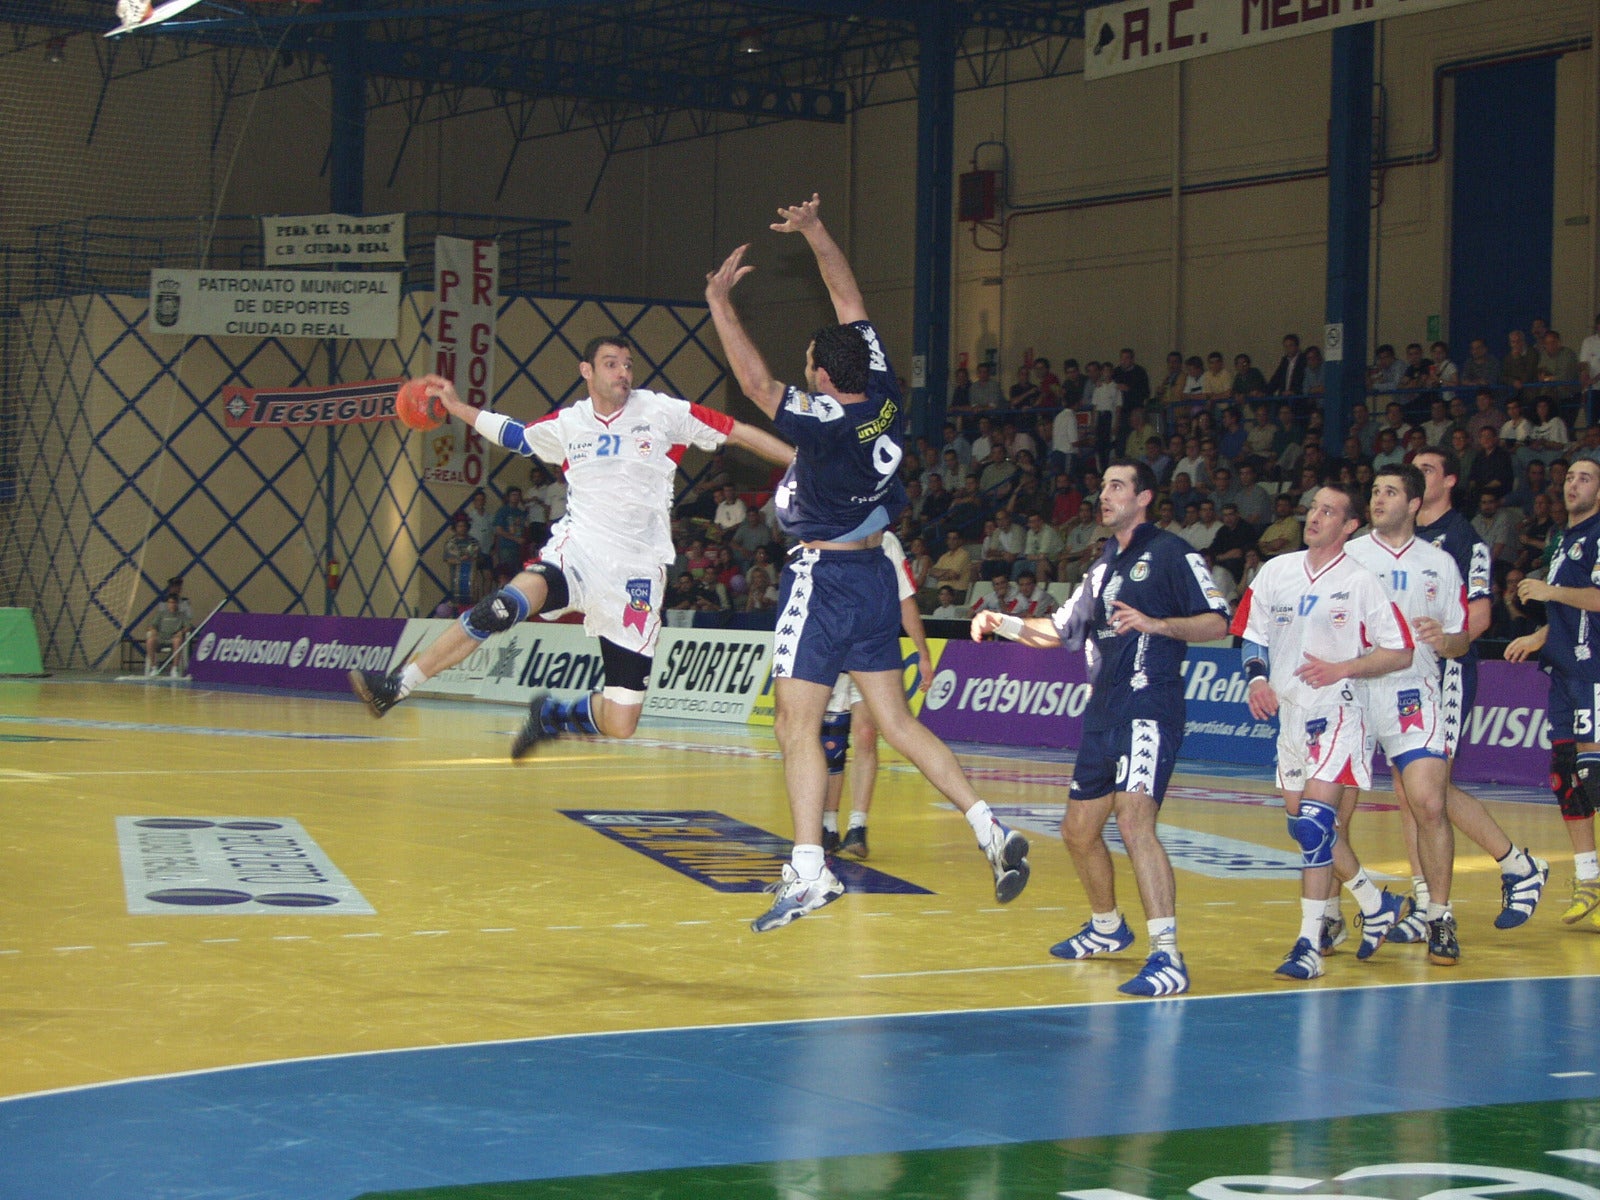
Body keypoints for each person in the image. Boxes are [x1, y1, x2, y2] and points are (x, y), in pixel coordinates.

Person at [704, 193, 1030, 932]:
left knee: (797, 724)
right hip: (877, 574)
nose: (808, 365)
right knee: (896, 721)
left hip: (824, 579)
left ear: (821, 377)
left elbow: (757, 386)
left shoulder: (826, 423)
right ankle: (991, 829)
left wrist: (720, 303)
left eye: (812, 362)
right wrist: (818, 231)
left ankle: (811, 870)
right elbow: (847, 296)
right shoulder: (883, 390)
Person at [348, 335, 793, 745]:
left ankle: (553, 718)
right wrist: (458, 406)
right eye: (611, 363)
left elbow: (736, 431)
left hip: (636, 576)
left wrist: (800, 462)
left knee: (621, 723)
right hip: (577, 553)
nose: (623, 372)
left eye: (627, 365)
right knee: (501, 607)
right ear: (587, 371)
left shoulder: (662, 413)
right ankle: (397, 685)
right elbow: (514, 435)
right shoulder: (568, 423)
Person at [972, 460, 1230, 997]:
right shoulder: (1101, 566)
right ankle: (1109, 926)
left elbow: (1217, 621)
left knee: (1136, 822)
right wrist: (1003, 624)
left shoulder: (1172, 553)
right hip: (1103, 713)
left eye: (1117, 486)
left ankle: (1168, 957)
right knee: (1078, 831)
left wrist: (1158, 624)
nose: (1104, 495)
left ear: (1144, 498)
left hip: (1147, 705)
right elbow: (1059, 633)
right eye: (1103, 486)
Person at [1231, 483, 1415, 979]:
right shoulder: (1276, 571)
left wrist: (1344, 668)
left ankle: (1308, 944)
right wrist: (1258, 678)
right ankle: (1374, 903)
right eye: (1313, 507)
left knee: (1314, 824)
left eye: (1328, 511)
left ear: (1349, 526)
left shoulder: (1361, 582)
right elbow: (1251, 634)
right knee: (1305, 827)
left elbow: (1400, 651)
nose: (1314, 516)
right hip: (1291, 717)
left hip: (1339, 710)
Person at [1341, 465, 1471, 965]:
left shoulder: (1439, 563)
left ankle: (1439, 916)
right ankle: (1334, 910)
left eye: (1390, 492)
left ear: (1414, 504)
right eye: (1374, 490)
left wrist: (1446, 640)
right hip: (1352, 692)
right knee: (1334, 813)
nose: (1378, 498)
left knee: (1429, 804)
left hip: (1410, 693)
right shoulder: (1349, 555)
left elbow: (1460, 640)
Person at [1506, 456, 1600, 929]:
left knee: (1594, 777)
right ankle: (1589, 880)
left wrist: (1550, 593)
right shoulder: (1564, 539)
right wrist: (1538, 636)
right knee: (1564, 777)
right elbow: (1565, 608)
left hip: (1595, 671)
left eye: (1585, 478)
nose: (1572, 485)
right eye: (1568, 477)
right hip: (1564, 672)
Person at [821, 531, 933, 860]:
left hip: (872, 652)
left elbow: (905, 598)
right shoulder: (825, 535)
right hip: (832, 650)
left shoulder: (887, 541)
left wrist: (923, 653)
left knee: (866, 734)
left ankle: (858, 826)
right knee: (831, 746)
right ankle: (827, 825)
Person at [144, 593, 190, 677]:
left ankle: (174, 668)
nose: (172, 605)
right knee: (150, 640)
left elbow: (188, 627)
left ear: (177, 604)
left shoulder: (182, 615)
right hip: (161, 638)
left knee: (178, 640)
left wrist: (181, 632)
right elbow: (151, 625)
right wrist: (153, 630)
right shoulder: (161, 614)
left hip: (173, 638)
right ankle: (153, 667)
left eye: (174, 603)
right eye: (170, 602)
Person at [441, 512, 480, 611]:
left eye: (464, 526)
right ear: (455, 527)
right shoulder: (450, 543)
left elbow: (477, 558)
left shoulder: (474, 542)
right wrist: (459, 560)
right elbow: (448, 559)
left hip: (472, 580)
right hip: (456, 581)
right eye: (459, 526)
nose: (462, 528)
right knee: (456, 607)